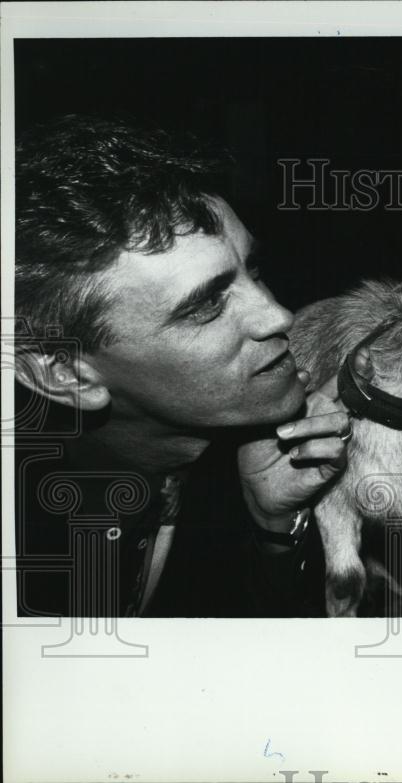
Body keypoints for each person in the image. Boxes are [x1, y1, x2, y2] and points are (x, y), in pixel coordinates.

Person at [14, 115, 354, 617]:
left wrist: (271, 529)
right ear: (66, 374)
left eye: (252, 269)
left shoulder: (232, 467)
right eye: (205, 305)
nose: (278, 315)